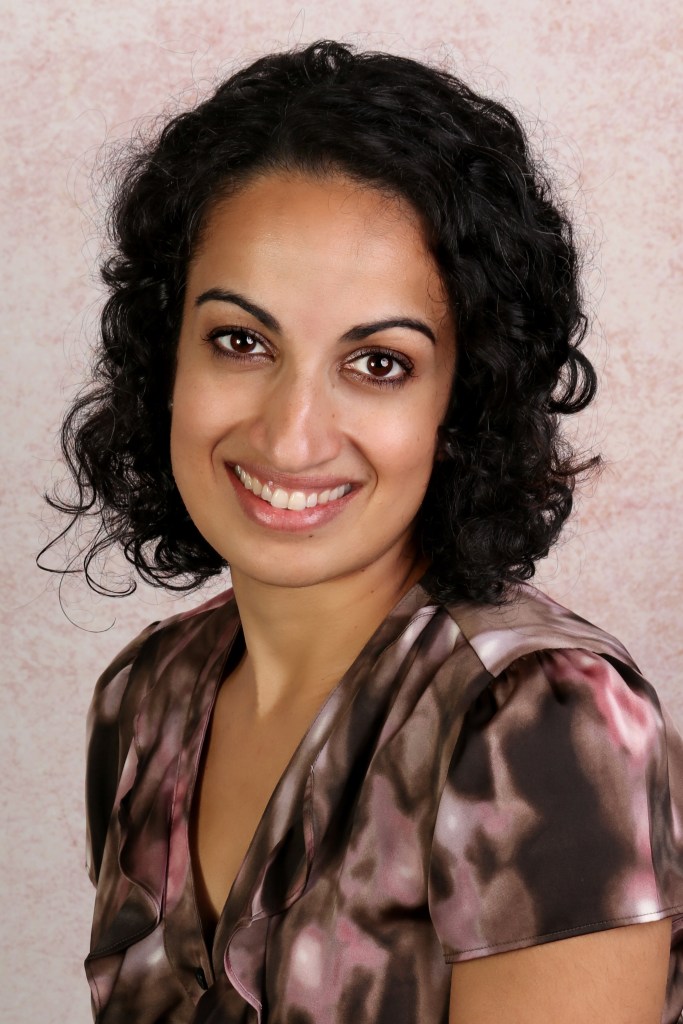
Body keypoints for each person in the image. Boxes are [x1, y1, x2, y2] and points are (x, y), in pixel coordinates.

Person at [44, 40, 682, 1024]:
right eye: (240, 341)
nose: (290, 432)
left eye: (377, 362)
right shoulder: (144, 700)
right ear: (163, 355)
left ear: (462, 400)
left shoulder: (542, 723)